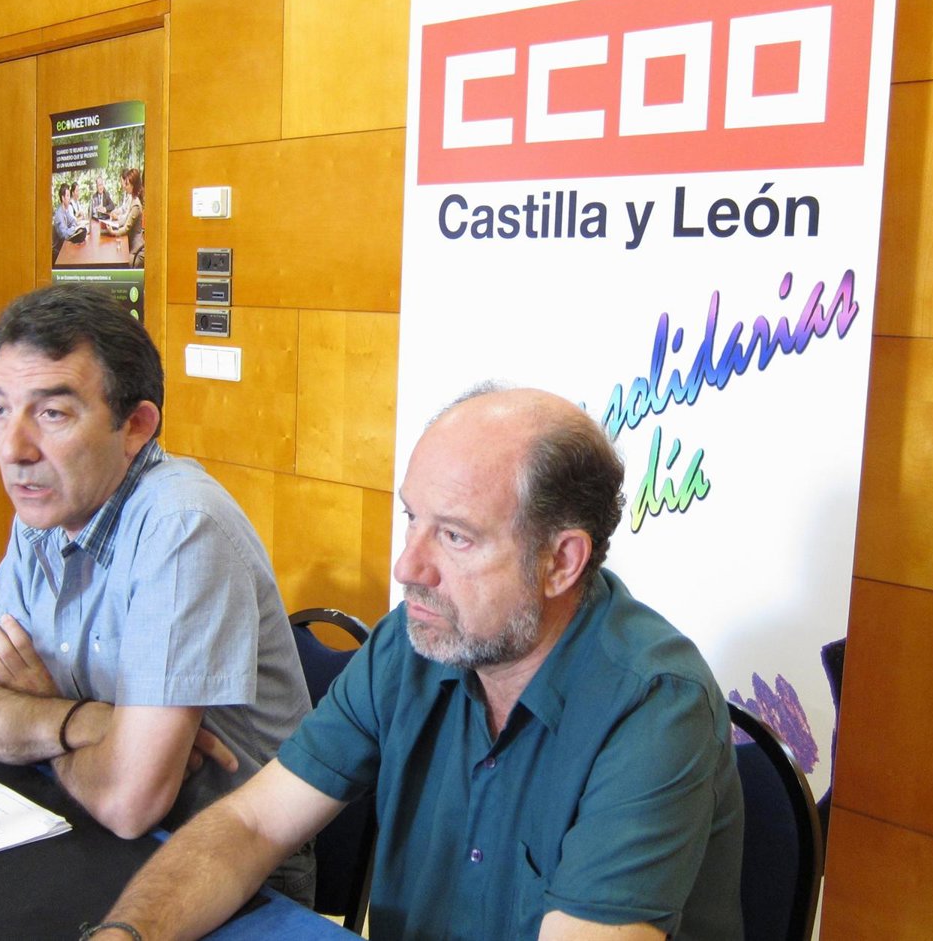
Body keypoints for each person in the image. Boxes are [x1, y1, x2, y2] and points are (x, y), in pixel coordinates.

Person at [86, 384, 744, 941]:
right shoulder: (413, 645)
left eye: (455, 536)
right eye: (412, 518)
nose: (407, 567)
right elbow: (252, 823)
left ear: (560, 561)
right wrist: (127, 934)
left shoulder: (655, 706)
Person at [0, 284, 314, 898]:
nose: (13, 448)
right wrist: (87, 721)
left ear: (136, 425)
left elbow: (127, 801)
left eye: (52, 414)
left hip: (225, 863)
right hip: (91, 829)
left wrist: (35, 718)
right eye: (0, 409)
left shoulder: (182, 527)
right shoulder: (42, 515)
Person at [104, 167, 145, 268]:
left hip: (137, 251)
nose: (125, 187)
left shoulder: (136, 205)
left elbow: (126, 228)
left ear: (133, 185)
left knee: (121, 265)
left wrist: (113, 232)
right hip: (131, 246)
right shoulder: (132, 200)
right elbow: (125, 219)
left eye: (127, 184)